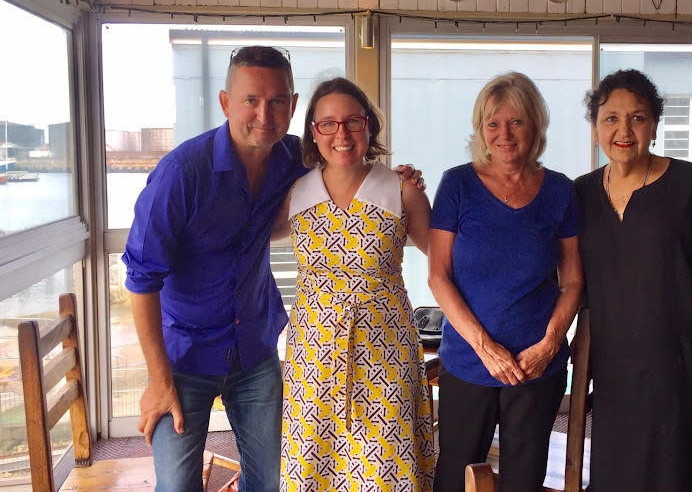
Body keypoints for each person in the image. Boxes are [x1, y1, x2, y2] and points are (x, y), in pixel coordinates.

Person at [122, 47, 423, 492]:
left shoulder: (292, 162)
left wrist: (400, 182)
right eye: (251, 100)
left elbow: (345, 169)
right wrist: (158, 379)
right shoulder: (182, 173)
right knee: (177, 485)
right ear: (226, 103)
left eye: (278, 101)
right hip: (184, 357)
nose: (265, 114)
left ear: (293, 105)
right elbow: (141, 278)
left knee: (272, 481)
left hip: (255, 350)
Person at [574, 69, 692, 492]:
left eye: (637, 117)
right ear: (595, 125)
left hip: (689, 374)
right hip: (617, 380)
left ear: (654, 125)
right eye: (611, 118)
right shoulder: (579, 194)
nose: (624, 130)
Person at [271, 77, 434, 491]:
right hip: (314, 360)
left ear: (369, 127)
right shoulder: (294, 193)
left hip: (385, 357)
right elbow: (240, 235)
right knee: (315, 467)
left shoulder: (402, 191)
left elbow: (446, 264)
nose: (341, 134)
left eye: (353, 122)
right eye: (327, 123)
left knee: (387, 470)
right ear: (313, 131)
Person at [428, 72, 583, 492]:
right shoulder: (457, 184)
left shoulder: (560, 191)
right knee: (456, 477)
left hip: (538, 365)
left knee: (524, 477)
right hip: (467, 362)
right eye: (493, 124)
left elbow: (572, 281)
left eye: (517, 122)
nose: (504, 134)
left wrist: (550, 343)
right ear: (480, 129)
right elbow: (438, 276)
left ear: (535, 127)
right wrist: (485, 347)